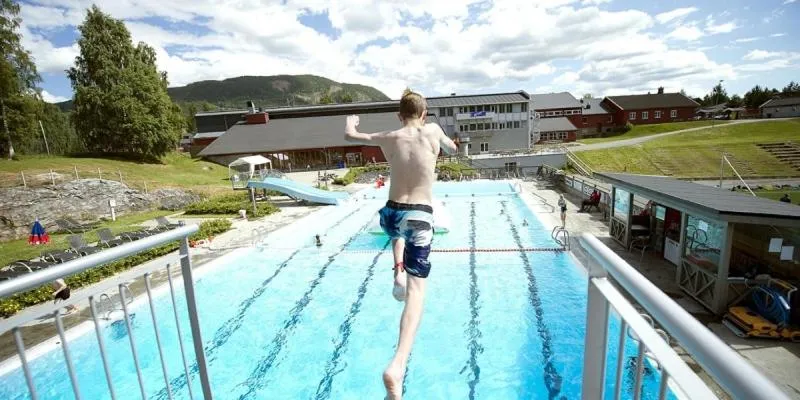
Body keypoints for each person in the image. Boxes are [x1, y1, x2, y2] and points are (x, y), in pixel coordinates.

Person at [344, 89, 458, 400]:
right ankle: (397, 365)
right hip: (420, 215)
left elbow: (353, 135)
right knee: (417, 293)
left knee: (397, 231)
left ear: (399, 115)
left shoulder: (390, 135)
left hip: (390, 213)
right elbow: (452, 148)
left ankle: (397, 273)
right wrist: (448, 145)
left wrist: (350, 124)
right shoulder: (432, 130)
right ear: (424, 114)